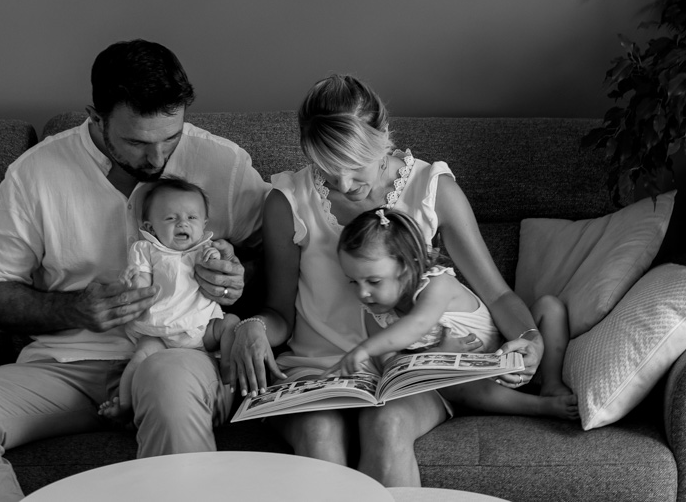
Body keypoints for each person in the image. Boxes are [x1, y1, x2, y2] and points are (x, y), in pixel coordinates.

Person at [0, 40, 269, 502]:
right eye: (137, 142)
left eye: (171, 137)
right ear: (96, 118)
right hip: (69, 368)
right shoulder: (35, 173)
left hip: (180, 356)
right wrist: (75, 309)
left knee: (165, 381)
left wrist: (241, 276)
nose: (158, 158)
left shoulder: (224, 163)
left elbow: (280, 252)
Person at [227, 73, 547, 487]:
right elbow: (278, 313)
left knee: (388, 424)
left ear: (383, 136)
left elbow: (497, 292)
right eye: (327, 167)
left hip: (409, 373)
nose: (343, 183)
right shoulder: (287, 201)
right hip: (319, 371)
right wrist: (252, 327)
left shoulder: (432, 189)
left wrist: (532, 338)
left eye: (354, 165)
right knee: (318, 433)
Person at [324, 207, 578, 420]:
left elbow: (418, 323)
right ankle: (538, 408)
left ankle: (551, 382)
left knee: (549, 307)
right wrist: (438, 356)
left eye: (374, 281)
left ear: (407, 266)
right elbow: (392, 367)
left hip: (508, 350)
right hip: (472, 380)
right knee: (449, 385)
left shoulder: (437, 284)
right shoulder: (376, 315)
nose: (363, 294)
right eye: (353, 282)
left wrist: (365, 349)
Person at [98, 177, 242, 422]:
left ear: (205, 223)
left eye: (192, 218)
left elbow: (220, 273)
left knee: (232, 324)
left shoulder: (205, 249)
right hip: (160, 332)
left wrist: (215, 256)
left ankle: (229, 379)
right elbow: (143, 285)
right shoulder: (146, 250)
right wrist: (132, 281)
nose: (182, 223)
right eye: (171, 218)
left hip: (202, 327)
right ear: (151, 227)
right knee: (140, 359)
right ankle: (124, 404)